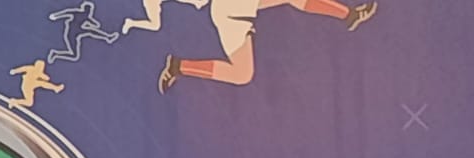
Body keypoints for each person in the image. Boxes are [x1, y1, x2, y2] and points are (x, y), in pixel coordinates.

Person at [159, 0, 377, 92]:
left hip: (231, 12)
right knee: (241, 75)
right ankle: (349, 15)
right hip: (229, 10)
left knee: (241, 74)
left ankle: (179, 66)